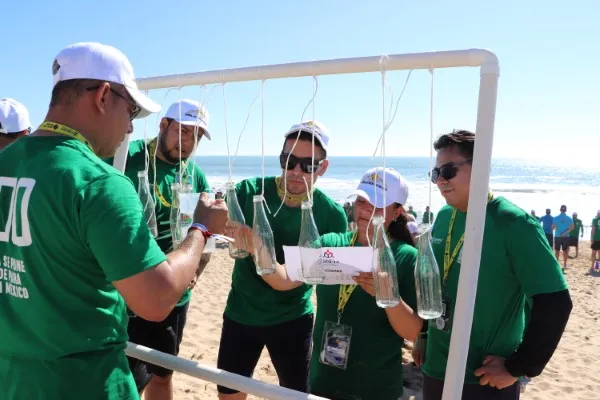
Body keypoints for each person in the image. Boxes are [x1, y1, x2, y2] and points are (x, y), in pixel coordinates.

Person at [0, 42, 228, 400]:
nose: (130, 130)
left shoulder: (9, 161)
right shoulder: (98, 182)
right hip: (81, 380)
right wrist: (201, 227)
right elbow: (155, 300)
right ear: (104, 96)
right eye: (132, 111)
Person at [414, 129, 572, 400]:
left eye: (449, 170)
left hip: (484, 377)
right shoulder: (443, 216)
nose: (440, 181)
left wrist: (519, 367)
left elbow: (555, 302)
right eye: (435, 173)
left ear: (481, 167)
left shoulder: (513, 223)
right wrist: (425, 335)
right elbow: (438, 286)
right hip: (436, 369)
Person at [239, 167, 422, 400]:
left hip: (375, 387)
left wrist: (390, 297)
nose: (365, 209)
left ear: (396, 212)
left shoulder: (405, 257)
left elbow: (413, 331)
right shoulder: (331, 243)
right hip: (323, 381)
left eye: (377, 204)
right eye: (361, 200)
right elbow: (284, 280)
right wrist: (256, 248)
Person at [216, 120, 347, 399]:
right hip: (241, 313)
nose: (296, 171)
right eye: (289, 160)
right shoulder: (248, 191)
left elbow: (297, 278)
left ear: (322, 167)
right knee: (229, 394)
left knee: (296, 396)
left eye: (308, 164)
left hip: (293, 319)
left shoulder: (332, 215)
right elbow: (211, 221)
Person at [104, 99, 212, 400]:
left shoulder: (194, 176)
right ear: (163, 125)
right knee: (124, 375)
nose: (188, 142)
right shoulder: (127, 157)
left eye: (196, 136)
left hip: (172, 293)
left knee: (162, 374)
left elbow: (203, 235)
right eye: (183, 131)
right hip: (126, 286)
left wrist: (195, 272)